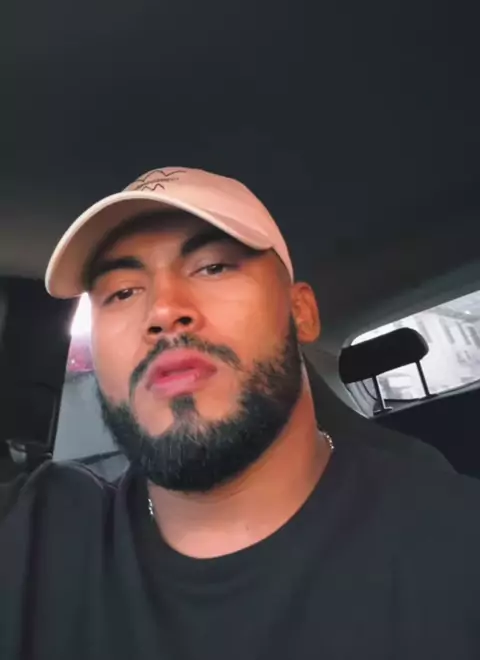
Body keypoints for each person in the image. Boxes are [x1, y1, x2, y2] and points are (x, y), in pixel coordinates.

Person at [1, 166, 480, 660]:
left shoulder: (454, 546)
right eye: (122, 292)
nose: (162, 311)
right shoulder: (35, 539)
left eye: (213, 267)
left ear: (301, 312)